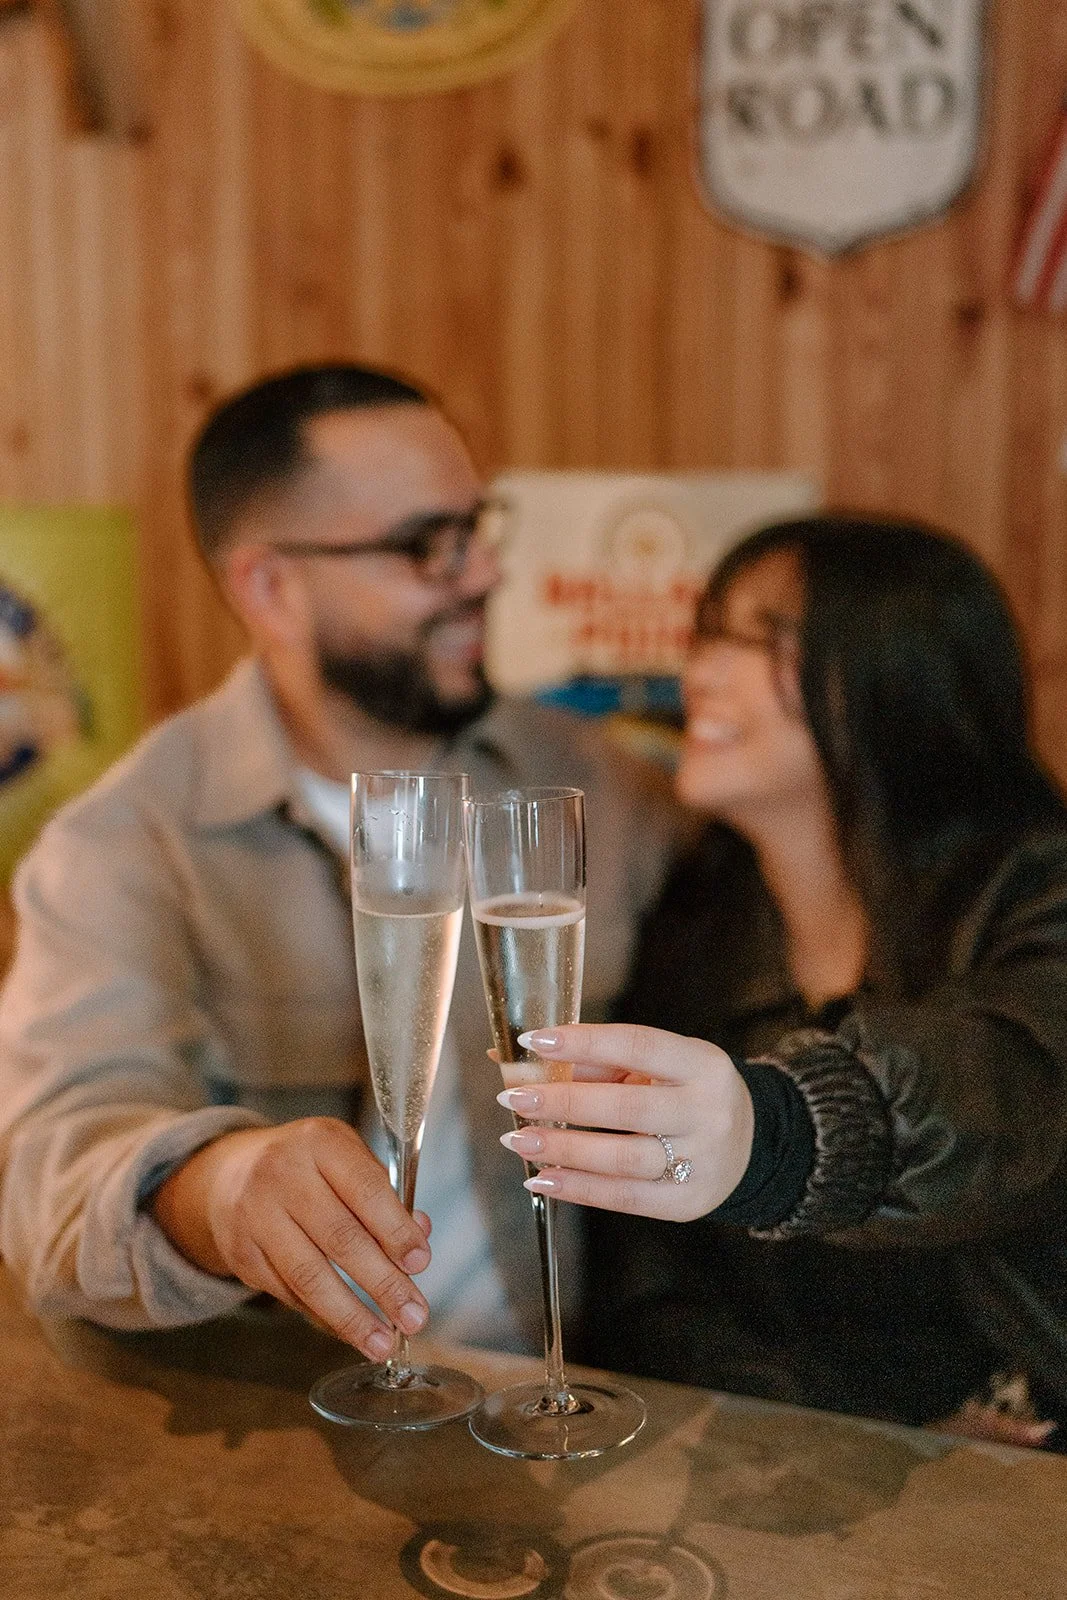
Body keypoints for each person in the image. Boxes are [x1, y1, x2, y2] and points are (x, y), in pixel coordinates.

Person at [0, 363, 681, 1360]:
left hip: (572, 1384)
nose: (484, 574)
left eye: (478, 528)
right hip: (297, 1425)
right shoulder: (126, 843)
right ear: (271, 589)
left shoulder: (586, 782)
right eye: (425, 546)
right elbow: (48, 1188)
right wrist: (220, 1186)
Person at [499, 515, 1067, 1446]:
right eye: (708, 633)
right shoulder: (698, 923)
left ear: (901, 676)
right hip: (800, 1485)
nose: (701, 673)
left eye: (760, 640)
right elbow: (654, 1293)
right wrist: (864, 1437)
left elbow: (1015, 1087)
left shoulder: (1033, 886)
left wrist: (775, 1135)